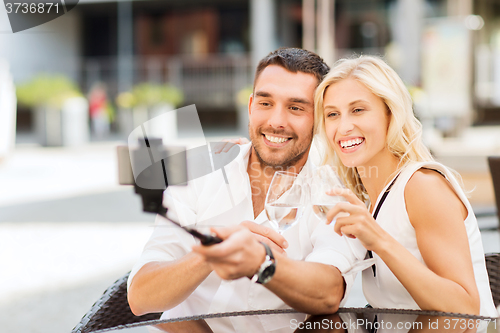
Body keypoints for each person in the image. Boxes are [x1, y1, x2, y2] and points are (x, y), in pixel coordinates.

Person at [127, 48, 357, 333]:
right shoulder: (198, 174)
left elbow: (329, 291)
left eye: (296, 107)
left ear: (319, 119)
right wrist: (214, 251)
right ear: (250, 107)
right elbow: (141, 297)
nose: (276, 121)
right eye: (265, 103)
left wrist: (261, 262)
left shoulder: (332, 192)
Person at [313, 55, 496, 316]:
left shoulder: (422, 187)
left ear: (390, 113)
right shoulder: (370, 197)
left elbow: (465, 309)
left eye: (358, 110)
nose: (343, 127)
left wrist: (378, 240)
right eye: (333, 114)